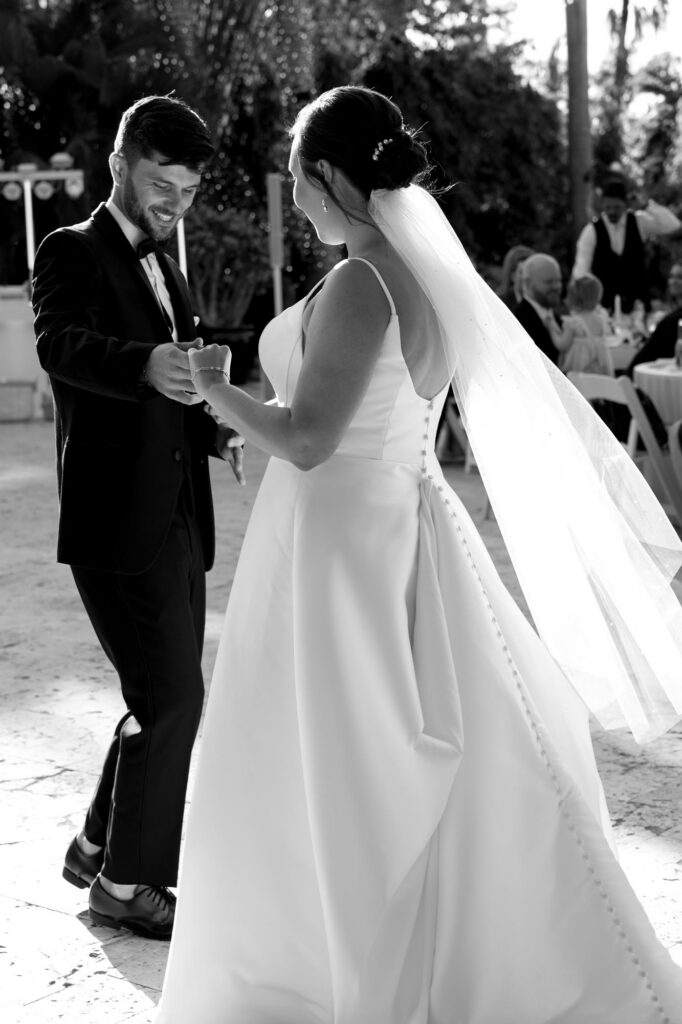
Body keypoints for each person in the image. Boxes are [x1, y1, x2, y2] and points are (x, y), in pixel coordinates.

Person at [155, 86, 682, 1022]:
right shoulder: (424, 276)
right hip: (398, 516)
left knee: (338, 758)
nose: (294, 192)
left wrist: (217, 391)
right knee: (394, 750)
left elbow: (312, 437)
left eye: (295, 175)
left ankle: (329, 968)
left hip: (341, 541)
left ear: (326, 175)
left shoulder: (364, 281)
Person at [32, 94, 244, 941]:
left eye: (189, 192)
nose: (175, 205)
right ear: (120, 164)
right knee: (175, 700)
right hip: (116, 519)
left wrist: (213, 424)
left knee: (160, 695)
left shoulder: (168, 259)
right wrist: (146, 364)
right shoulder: (71, 250)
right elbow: (59, 345)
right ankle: (123, 886)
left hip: (180, 512)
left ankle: (95, 841)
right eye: (163, 185)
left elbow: (183, 370)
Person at [572, 177, 681, 314]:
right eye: (608, 207)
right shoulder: (591, 231)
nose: (611, 212)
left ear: (626, 204)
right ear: (602, 205)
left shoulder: (640, 222)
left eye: (616, 207)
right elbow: (581, 272)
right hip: (604, 311)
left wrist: (645, 206)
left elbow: (673, 226)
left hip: (638, 309)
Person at [626, 261, 682, 373]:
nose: (673, 281)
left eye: (680, 277)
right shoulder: (671, 316)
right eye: (671, 277)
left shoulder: (672, 320)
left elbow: (648, 353)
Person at [556, 273, 612, 375]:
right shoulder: (600, 319)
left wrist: (552, 329)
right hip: (598, 370)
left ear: (574, 299)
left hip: (578, 370)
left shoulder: (574, 323)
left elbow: (562, 345)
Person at [513, 252, 564, 363]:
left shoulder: (559, 319)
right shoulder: (517, 322)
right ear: (527, 283)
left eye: (559, 280)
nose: (556, 286)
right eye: (549, 282)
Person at [496, 242, 534, 308]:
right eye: (522, 272)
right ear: (512, 276)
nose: (527, 277)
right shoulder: (499, 304)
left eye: (531, 272)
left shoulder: (542, 302)